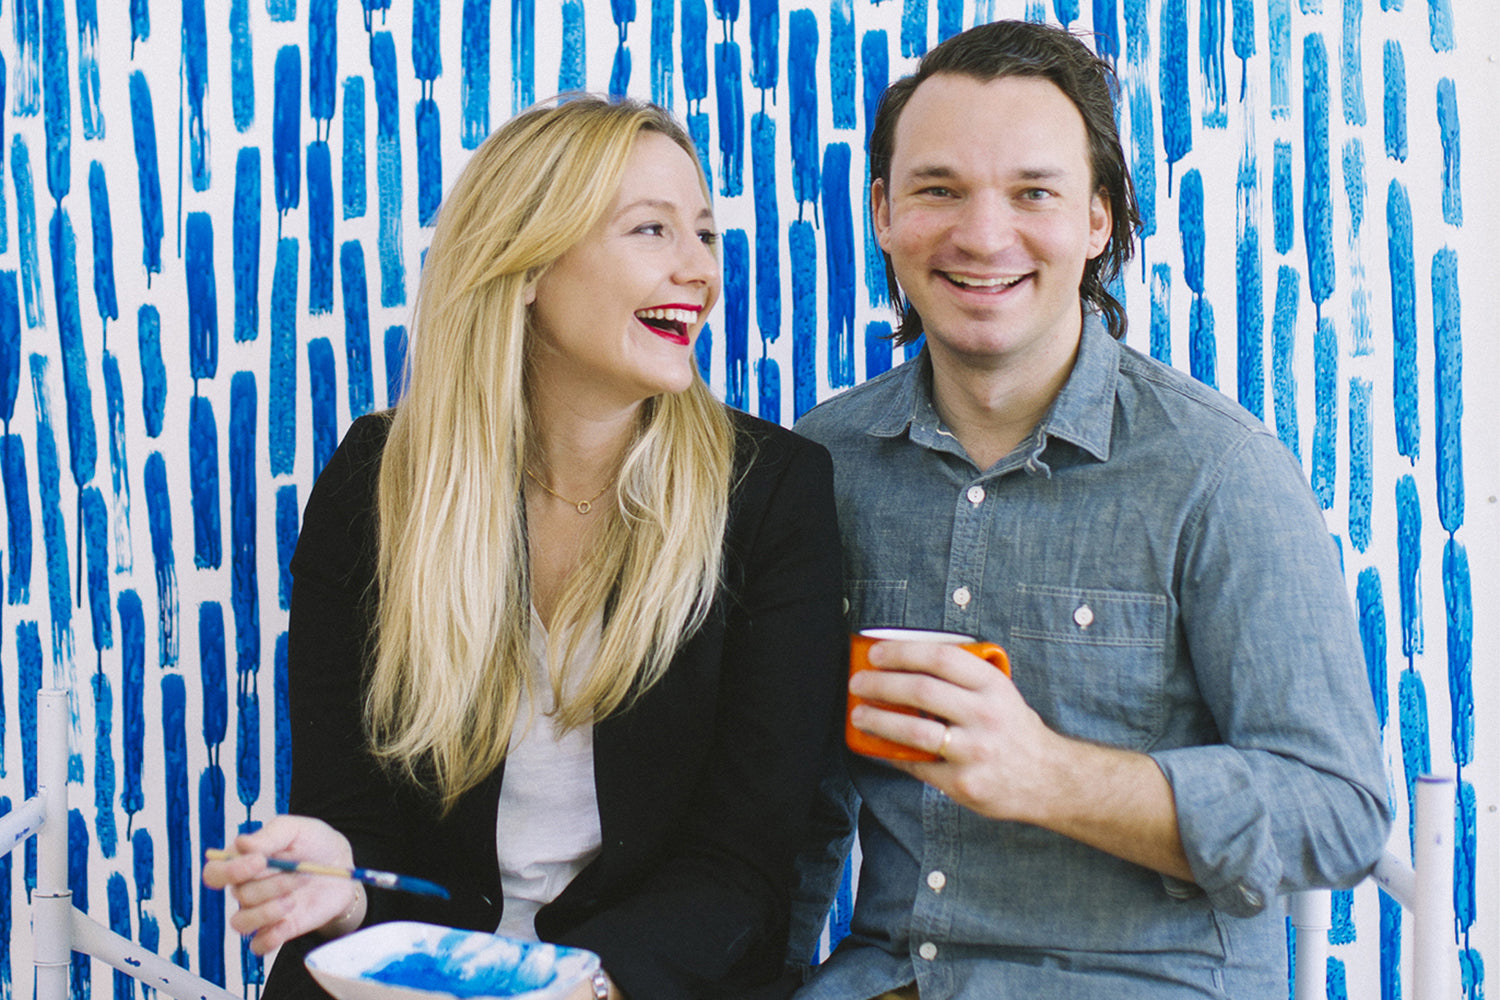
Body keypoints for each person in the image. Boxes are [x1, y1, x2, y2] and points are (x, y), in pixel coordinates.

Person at [789, 20, 1391, 1000]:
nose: (984, 236)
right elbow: (788, 804)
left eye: (1034, 193)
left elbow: (1340, 811)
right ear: (883, 213)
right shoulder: (820, 464)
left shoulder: (1220, 471)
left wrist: (1051, 774)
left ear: (1101, 218)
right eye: (940, 190)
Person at [203, 95, 846, 1000]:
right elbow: (356, 823)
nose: (699, 269)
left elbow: (741, 867)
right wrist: (337, 880)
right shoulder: (375, 483)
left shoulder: (772, 493)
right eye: (652, 230)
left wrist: (578, 988)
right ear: (528, 262)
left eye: (703, 234)